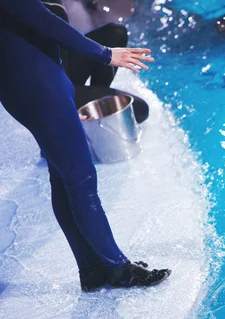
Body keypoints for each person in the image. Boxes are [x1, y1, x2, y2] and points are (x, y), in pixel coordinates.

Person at [0, 0, 171, 291]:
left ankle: (91, 269)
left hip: (24, 84)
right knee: (81, 180)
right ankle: (119, 269)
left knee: (62, 178)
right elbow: (47, 23)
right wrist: (105, 55)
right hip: (42, 86)